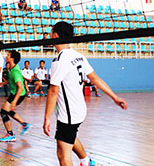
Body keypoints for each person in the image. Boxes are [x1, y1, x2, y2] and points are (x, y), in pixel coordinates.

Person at [43, 21, 128, 166]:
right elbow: (94, 78)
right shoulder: (79, 56)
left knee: (63, 155)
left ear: (55, 36)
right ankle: (86, 161)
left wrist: (46, 118)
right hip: (79, 109)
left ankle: (85, 160)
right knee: (70, 137)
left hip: (68, 114)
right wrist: (114, 97)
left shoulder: (59, 60)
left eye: (50, 33)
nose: (49, 36)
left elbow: (53, 90)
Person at [0, 50, 31, 142]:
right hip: (14, 93)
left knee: (4, 112)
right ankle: (24, 124)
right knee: (7, 111)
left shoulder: (15, 71)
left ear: (12, 58)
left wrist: (14, 102)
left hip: (19, 94)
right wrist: (3, 83)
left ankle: (10, 134)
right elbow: (12, 80)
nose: (6, 56)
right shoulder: (11, 68)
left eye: (8, 55)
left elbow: (20, 87)